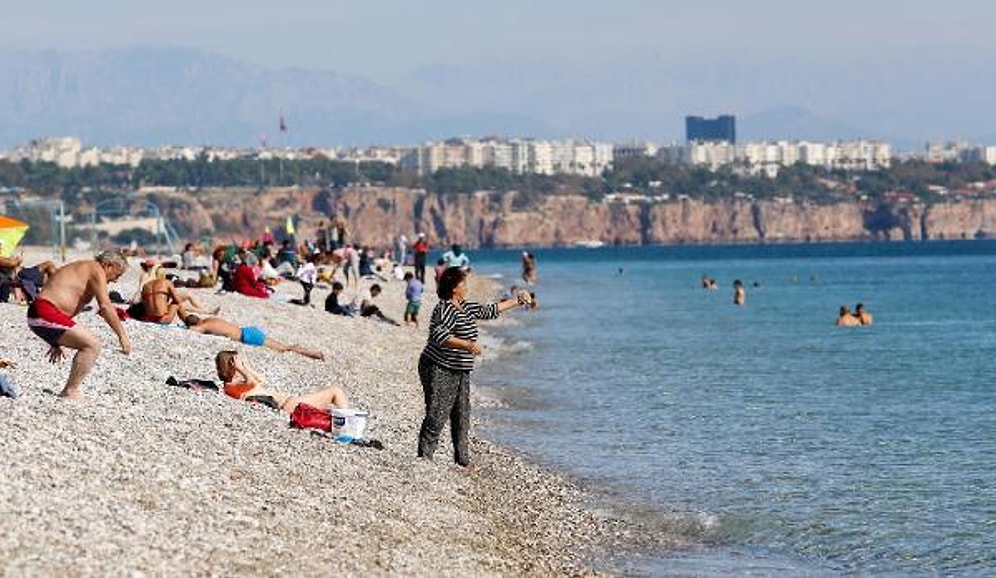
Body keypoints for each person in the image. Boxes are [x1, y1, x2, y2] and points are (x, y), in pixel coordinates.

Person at [417, 267, 532, 467]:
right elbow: (440, 335)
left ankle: (462, 460)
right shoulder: (444, 308)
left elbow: (489, 311)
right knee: (438, 413)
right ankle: (424, 458)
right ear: (453, 287)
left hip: (461, 369)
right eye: (463, 283)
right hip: (438, 366)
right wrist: (467, 345)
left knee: (462, 415)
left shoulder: (466, 306)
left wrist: (517, 301)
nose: (466, 286)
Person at [25, 250, 132, 399]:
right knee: (92, 345)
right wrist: (122, 337)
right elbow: (105, 306)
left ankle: (71, 390)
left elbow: (58, 293)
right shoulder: (96, 269)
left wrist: (56, 340)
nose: (115, 281)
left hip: (42, 313)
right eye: (117, 275)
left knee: (89, 344)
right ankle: (70, 391)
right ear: (109, 266)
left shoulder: (83, 268)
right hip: (45, 312)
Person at [214, 350, 346, 413]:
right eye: (238, 363)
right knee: (335, 391)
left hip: (290, 402)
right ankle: (349, 424)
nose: (241, 364)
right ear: (230, 366)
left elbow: (261, 380)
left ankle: (348, 423)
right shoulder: (230, 387)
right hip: (288, 405)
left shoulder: (239, 382)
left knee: (332, 410)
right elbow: (253, 384)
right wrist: (241, 369)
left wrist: (246, 367)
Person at [184, 314, 325, 360]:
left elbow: (192, 330)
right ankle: (308, 351)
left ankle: (311, 354)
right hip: (248, 330)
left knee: (283, 349)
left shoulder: (204, 326)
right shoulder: (209, 319)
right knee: (283, 346)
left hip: (247, 337)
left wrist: (183, 327)